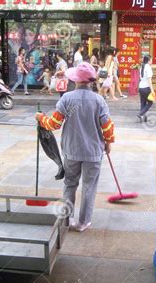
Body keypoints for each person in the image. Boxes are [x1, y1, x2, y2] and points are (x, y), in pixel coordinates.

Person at [35, 62, 115, 233]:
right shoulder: (99, 100)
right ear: (91, 81)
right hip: (93, 152)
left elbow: (54, 124)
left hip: (71, 151)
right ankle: (83, 222)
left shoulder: (67, 98)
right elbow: (107, 126)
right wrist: (108, 143)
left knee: (70, 184)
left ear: (75, 80)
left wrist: (41, 118)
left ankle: (67, 219)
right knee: (89, 187)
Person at [138, 54, 154, 122]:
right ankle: (140, 114)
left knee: (143, 102)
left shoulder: (142, 66)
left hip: (141, 86)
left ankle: (144, 118)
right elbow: (149, 79)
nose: (152, 61)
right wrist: (152, 90)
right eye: (151, 60)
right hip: (146, 87)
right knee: (150, 102)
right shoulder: (148, 67)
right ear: (148, 60)